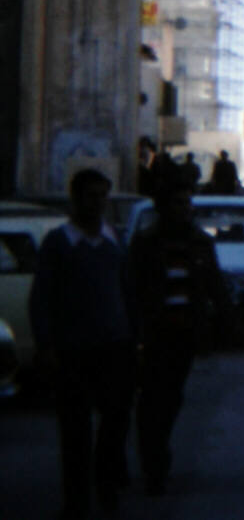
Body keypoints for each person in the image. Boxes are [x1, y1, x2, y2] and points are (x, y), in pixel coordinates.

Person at [29, 167, 137, 520]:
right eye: (91, 196)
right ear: (76, 199)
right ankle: (76, 500)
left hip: (114, 348)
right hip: (73, 351)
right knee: (75, 432)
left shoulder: (114, 239)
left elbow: (127, 290)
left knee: (114, 424)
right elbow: (41, 298)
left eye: (103, 196)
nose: (98, 203)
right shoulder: (58, 243)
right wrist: (46, 346)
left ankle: (106, 487)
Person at [128, 180, 234, 496]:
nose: (185, 209)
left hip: (185, 334)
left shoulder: (200, 242)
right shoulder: (145, 243)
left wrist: (231, 323)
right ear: (163, 207)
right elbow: (132, 290)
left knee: (171, 399)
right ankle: (154, 463)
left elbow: (215, 284)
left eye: (188, 203)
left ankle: (157, 452)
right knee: (151, 401)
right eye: (178, 203)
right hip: (154, 334)